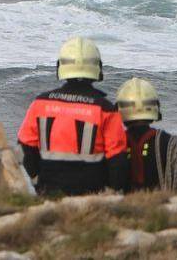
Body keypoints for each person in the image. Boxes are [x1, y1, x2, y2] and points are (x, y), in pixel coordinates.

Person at [18, 36, 129, 196]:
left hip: (49, 190)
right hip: (92, 194)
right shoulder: (105, 109)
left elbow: (26, 147)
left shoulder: (40, 103)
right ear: (97, 68)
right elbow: (117, 158)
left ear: (60, 67)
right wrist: (112, 190)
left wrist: (36, 179)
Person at [117, 77, 177, 196]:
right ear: (155, 107)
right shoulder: (172, 145)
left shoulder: (114, 144)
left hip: (125, 210)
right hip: (164, 209)